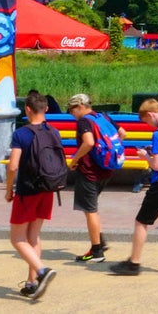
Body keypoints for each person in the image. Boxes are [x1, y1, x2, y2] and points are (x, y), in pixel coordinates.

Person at [110, 98, 158, 276]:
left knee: (141, 222)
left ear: (151, 114)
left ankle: (133, 263)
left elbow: (157, 165)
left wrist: (145, 155)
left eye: (147, 121)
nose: (149, 125)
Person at [6, 91, 58, 299]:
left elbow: (12, 167)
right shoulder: (53, 131)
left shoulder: (22, 134)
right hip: (48, 188)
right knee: (33, 236)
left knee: (17, 238)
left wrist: (10, 189)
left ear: (27, 109)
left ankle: (43, 271)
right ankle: (31, 282)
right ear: (46, 109)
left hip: (28, 190)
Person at [66, 93, 124, 262]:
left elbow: (89, 142)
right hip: (107, 170)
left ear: (80, 106)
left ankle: (97, 250)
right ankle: (99, 240)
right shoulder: (103, 116)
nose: (71, 114)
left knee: (90, 210)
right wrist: (109, 153)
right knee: (90, 207)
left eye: (71, 110)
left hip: (90, 171)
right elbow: (122, 133)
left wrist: (74, 160)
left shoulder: (84, 121)